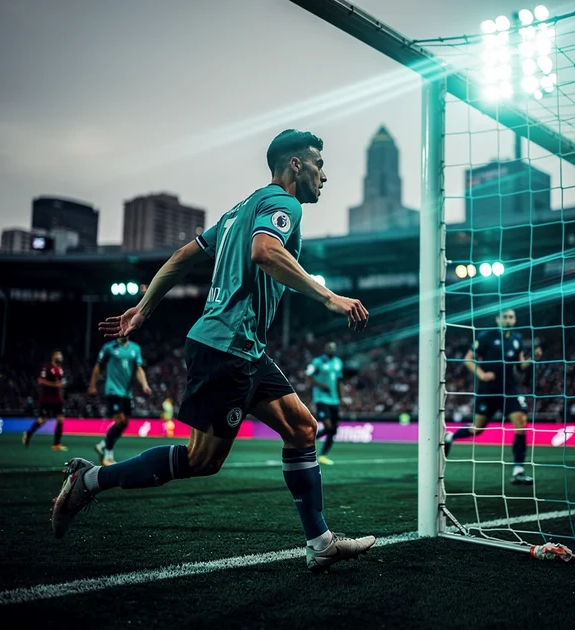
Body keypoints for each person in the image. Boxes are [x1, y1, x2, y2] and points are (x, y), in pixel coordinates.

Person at [51, 129, 375, 572]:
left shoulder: (240, 209)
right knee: (201, 460)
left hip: (246, 348)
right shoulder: (284, 203)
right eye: (319, 164)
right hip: (227, 346)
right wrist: (329, 297)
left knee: (302, 429)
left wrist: (144, 308)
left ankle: (320, 543)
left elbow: (182, 257)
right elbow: (265, 251)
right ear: (295, 165)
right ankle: (89, 479)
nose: (324, 175)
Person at [444, 308, 542, 485]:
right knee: (477, 429)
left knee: (521, 423)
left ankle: (518, 471)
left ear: (514, 320)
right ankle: (450, 437)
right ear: (498, 319)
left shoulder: (517, 338)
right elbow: (468, 358)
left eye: (511, 317)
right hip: (488, 390)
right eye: (505, 317)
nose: (508, 320)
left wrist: (532, 358)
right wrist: (481, 374)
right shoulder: (486, 337)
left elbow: (521, 366)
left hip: (510, 389)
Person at [89, 337, 151, 465]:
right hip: (113, 389)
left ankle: (103, 445)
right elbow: (98, 366)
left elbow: (138, 369)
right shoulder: (109, 347)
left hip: (127, 392)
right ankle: (108, 455)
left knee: (125, 423)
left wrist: (144, 384)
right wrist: (92, 385)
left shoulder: (135, 348)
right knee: (120, 420)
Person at [305, 342, 344, 465]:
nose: (331, 349)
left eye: (333, 347)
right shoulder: (317, 362)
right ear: (325, 348)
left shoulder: (338, 362)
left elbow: (339, 381)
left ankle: (322, 456)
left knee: (333, 430)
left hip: (334, 399)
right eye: (329, 347)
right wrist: (321, 385)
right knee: (328, 426)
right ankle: (305, 441)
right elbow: (308, 377)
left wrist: (342, 398)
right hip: (321, 398)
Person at [23, 350, 68, 450]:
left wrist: (62, 384)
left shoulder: (60, 369)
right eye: (58, 355)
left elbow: (60, 382)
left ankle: (56, 444)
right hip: (46, 398)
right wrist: (55, 385)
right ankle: (28, 433)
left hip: (57, 398)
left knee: (60, 419)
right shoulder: (47, 367)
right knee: (42, 420)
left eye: (61, 355)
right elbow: (41, 381)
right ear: (53, 357)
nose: (60, 357)